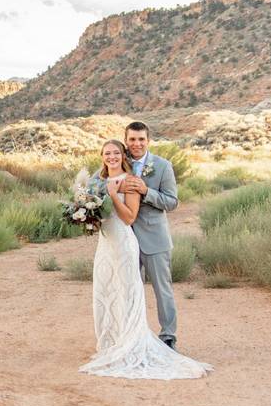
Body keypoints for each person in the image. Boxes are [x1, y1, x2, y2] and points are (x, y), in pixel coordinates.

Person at [79, 139, 211, 379]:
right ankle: (111, 340)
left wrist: (113, 195)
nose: (112, 157)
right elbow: (97, 213)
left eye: (116, 153)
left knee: (138, 290)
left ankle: (157, 338)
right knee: (108, 290)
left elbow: (130, 217)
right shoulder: (95, 182)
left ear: (123, 155)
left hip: (129, 239)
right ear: (101, 155)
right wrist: (86, 216)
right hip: (106, 244)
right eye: (107, 153)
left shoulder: (131, 182)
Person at [120, 121, 179, 350]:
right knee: (128, 290)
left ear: (148, 140)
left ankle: (168, 336)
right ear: (126, 140)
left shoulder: (163, 166)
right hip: (125, 238)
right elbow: (99, 183)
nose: (136, 144)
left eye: (141, 139)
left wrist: (146, 191)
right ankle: (131, 336)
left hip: (155, 238)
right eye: (132, 139)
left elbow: (172, 202)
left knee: (162, 290)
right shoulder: (117, 161)